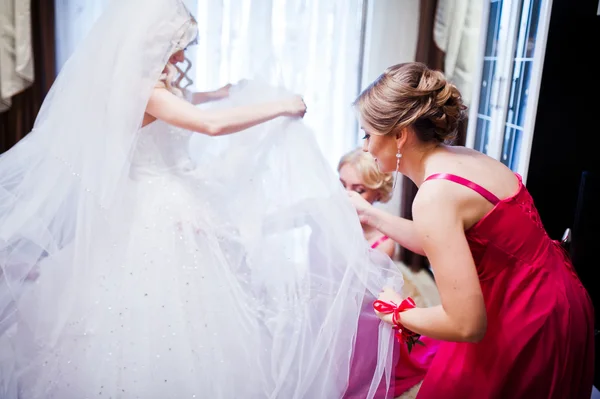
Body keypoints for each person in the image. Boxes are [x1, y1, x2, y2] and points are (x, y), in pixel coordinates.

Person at [0, 1, 403, 398]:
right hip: (154, 209)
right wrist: (279, 106)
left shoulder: (151, 89)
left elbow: (192, 104)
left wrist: (222, 92)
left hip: (169, 198)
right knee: (164, 311)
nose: (182, 53)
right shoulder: (145, 91)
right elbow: (210, 125)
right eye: (177, 44)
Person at [348, 61, 595, 398]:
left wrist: (396, 312)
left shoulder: (435, 196)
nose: (365, 147)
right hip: (560, 299)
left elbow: (466, 324)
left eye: (367, 134)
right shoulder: (464, 158)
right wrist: (371, 215)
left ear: (399, 134)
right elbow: (444, 241)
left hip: (524, 317)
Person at [338, 148, 439, 399]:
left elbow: (363, 292)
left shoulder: (384, 241)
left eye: (359, 189)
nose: (347, 195)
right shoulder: (333, 221)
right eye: (341, 185)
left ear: (377, 193)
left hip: (363, 315)